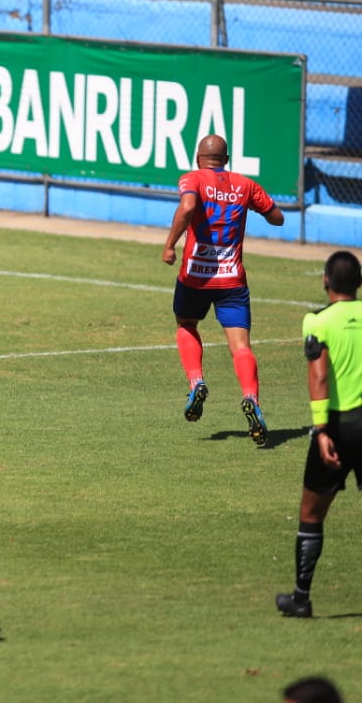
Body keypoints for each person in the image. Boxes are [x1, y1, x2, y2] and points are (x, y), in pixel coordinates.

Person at [161, 133, 285, 446]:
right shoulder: (246, 185)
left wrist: (169, 245)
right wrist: (255, 207)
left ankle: (196, 381)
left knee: (186, 323)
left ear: (198, 158)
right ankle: (251, 399)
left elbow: (188, 207)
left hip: (196, 276)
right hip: (232, 278)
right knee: (241, 346)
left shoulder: (192, 178)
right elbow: (278, 218)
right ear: (226, 160)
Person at [276, 250, 362, 619]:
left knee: (312, 512)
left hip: (339, 426)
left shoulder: (318, 321)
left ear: (325, 280)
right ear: (359, 283)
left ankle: (301, 597)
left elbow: (319, 375)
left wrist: (320, 429)